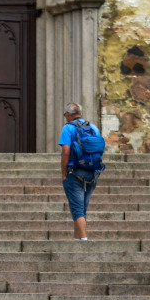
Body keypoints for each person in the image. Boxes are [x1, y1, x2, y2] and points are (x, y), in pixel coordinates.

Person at [59, 102, 104, 241]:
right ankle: (77, 239)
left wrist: (64, 171)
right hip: (93, 170)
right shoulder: (93, 127)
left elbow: (65, 152)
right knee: (82, 208)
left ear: (68, 114)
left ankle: (84, 241)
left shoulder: (68, 128)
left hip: (75, 171)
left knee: (77, 208)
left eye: (65, 114)